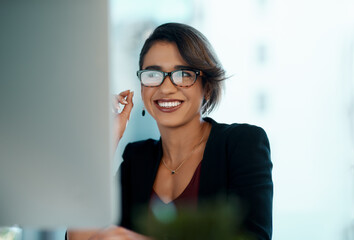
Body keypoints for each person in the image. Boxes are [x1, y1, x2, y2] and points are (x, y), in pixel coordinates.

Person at [68, 22, 273, 240]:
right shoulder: (137, 159)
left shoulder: (242, 144)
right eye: (153, 75)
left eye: (183, 74)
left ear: (207, 86)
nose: (165, 88)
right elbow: (80, 236)